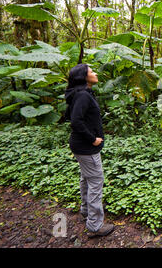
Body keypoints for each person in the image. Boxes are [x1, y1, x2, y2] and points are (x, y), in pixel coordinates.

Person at [65, 63, 114, 237]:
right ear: (84, 77)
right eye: (91, 71)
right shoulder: (83, 95)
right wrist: (92, 139)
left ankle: (86, 210)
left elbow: (70, 115)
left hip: (80, 145)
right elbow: (76, 121)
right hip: (86, 146)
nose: (95, 73)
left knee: (86, 178)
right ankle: (94, 226)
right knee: (95, 182)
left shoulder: (79, 94)